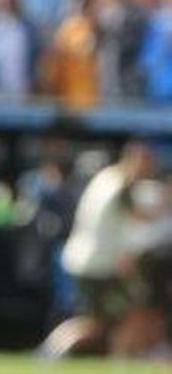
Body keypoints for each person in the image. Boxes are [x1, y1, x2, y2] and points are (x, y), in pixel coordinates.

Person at [44, 142, 159, 357]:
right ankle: (49, 355)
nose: (149, 170)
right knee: (98, 323)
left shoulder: (106, 177)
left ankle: (49, 355)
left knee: (103, 321)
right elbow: (141, 218)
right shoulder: (121, 185)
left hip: (85, 259)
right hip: (98, 264)